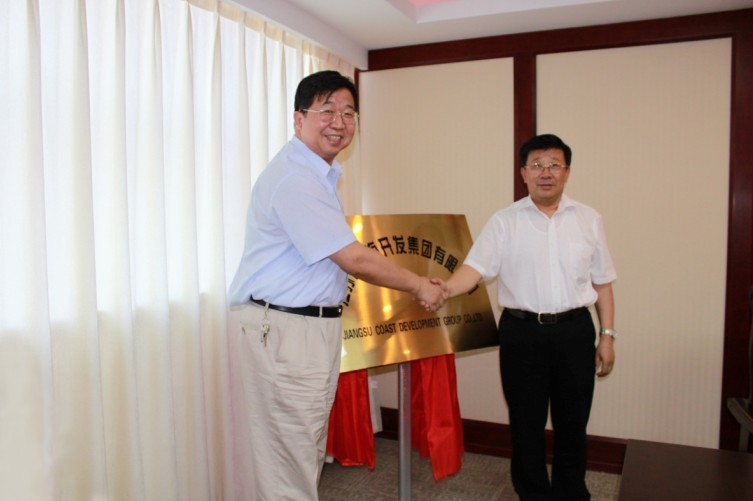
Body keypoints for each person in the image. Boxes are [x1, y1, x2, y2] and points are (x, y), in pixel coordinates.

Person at [226, 70, 447, 500]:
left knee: (301, 448)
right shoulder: (296, 178)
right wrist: (420, 285)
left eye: (348, 113)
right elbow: (353, 258)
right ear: (298, 119)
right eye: (326, 111)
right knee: (290, 458)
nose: (339, 122)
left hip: (303, 329)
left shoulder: (318, 175)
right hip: (287, 331)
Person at [440, 134, 617, 500]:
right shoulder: (504, 221)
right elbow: (474, 269)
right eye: (536, 165)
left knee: (573, 423)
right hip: (522, 335)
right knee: (526, 424)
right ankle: (533, 494)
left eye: (554, 165)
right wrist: (443, 289)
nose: (545, 173)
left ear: (567, 172)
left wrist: (608, 336)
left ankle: (571, 494)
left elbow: (602, 283)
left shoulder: (589, 219)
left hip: (574, 332)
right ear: (523, 173)